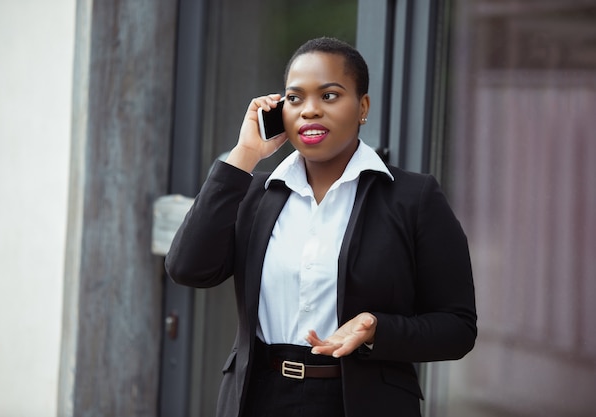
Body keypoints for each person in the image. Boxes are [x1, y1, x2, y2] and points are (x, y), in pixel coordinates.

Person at [165, 37, 477, 417]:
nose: (309, 111)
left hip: (361, 404)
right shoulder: (255, 194)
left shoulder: (413, 197)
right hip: (258, 399)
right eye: (295, 99)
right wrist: (244, 156)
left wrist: (377, 328)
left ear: (362, 107)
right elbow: (187, 268)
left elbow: (457, 328)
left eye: (329, 96)